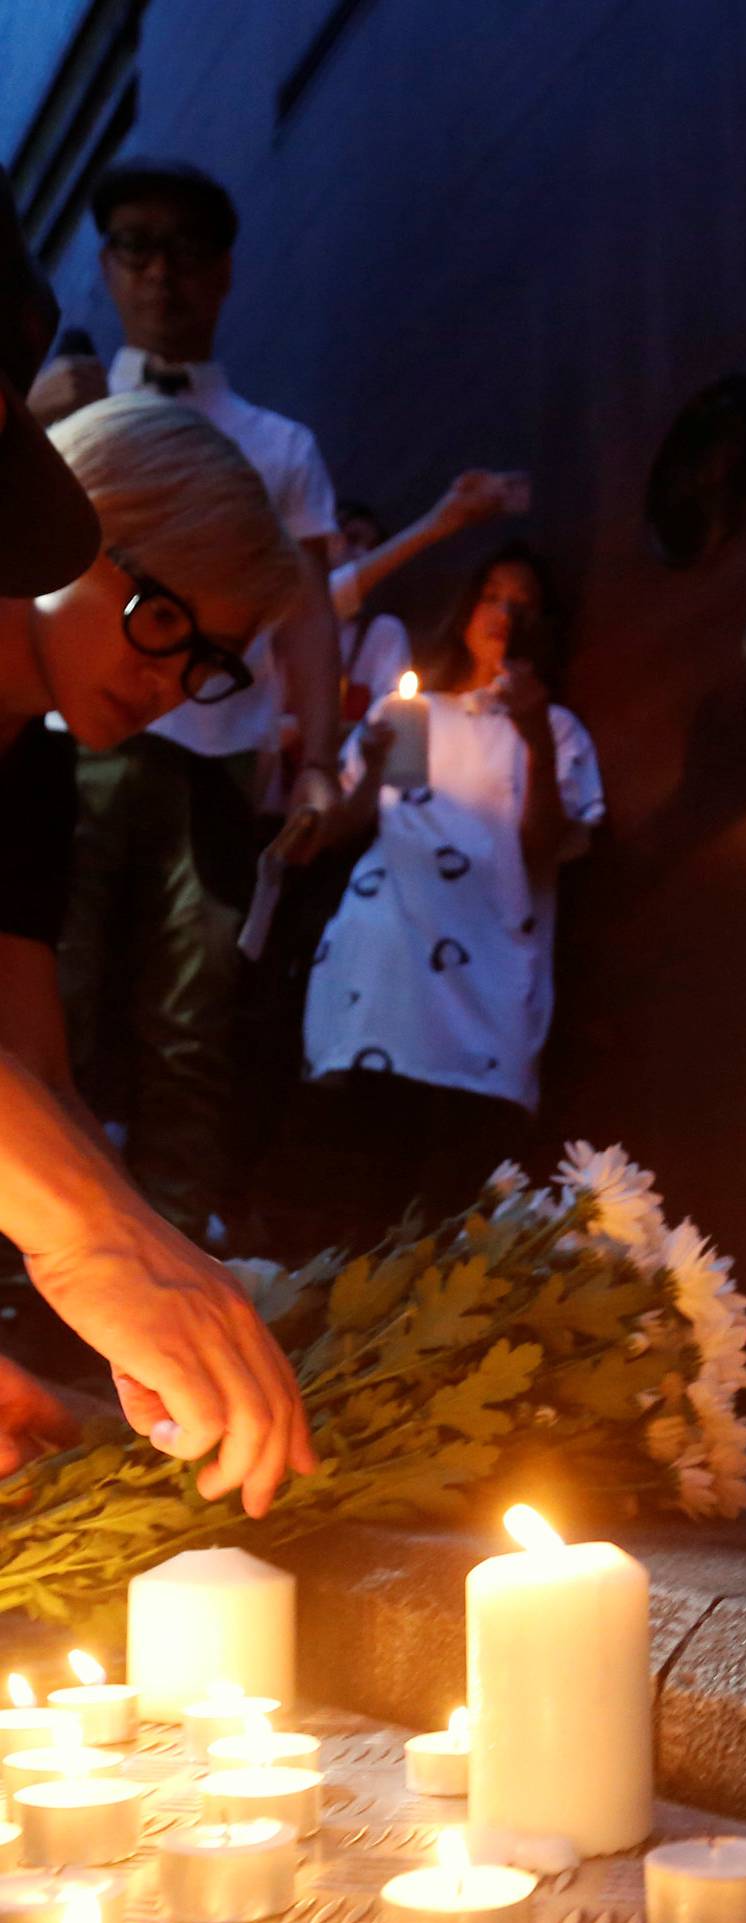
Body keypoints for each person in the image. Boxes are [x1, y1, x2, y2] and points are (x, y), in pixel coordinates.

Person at [0, 373, 315, 1509]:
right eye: (164, 622)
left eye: (207, 663)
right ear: (72, 519)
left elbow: (34, 1074)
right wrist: (100, 1241)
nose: (172, 684)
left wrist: (154, 1263)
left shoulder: (34, 769)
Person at [55, 157, 341, 1244]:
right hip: (68, 736)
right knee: (54, 985)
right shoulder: (66, 404)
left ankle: (171, 1243)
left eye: (183, 248)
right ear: (106, 266)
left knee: (193, 1012)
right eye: (135, 244)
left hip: (216, 751)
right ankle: (34, 1255)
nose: (160, 271)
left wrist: (315, 755)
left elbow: (310, 611)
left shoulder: (281, 444)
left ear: (222, 272)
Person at [289, 544, 604, 1241]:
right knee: (373, 1172)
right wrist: (368, 768)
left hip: (489, 967)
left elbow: (543, 849)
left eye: (523, 604)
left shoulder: (553, 727)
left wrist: (535, 741)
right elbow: (346, 826)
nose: (505, 614)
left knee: (461, 1185)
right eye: (494, 595)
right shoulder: (416, 714)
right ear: (467, 610)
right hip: (391, 954)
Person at [329, 471, 526, 723]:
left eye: (374, 549)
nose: (362, 554)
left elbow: (386, 728)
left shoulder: (383, 635)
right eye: (352, 539)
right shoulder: (285, 616)